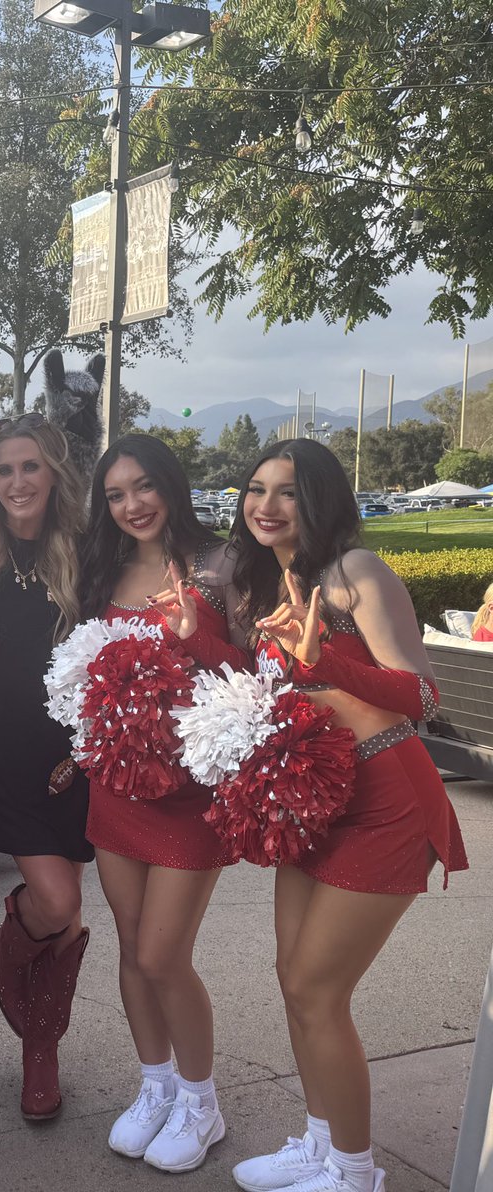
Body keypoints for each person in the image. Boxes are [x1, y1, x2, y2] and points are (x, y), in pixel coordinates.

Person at [227, 438, 468, 1192]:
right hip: (314, 800)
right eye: (256, 488)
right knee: (293, 980)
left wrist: (325, 662)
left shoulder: (353, 573)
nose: (266, 505)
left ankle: (356, 1173)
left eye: (288, 491)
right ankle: (322, 1143)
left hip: (387, 801)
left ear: (321, 498)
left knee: (318, 990)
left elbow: (425, 696)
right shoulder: (277, 583)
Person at [77, 433, 248, 1174]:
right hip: (116, 786)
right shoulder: (104, 569)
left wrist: (196, 638)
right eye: (116, 494)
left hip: (189, 795)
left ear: (170, 485)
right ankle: (157, 1085)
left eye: (143, 486)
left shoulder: (221, 565)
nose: (132, 505)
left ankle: (202, 1103)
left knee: (162, 953)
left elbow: (255, 672)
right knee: (129, 947)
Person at [0, 414, 92, 1122]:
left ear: (54, 473)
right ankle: (15, 947)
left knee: (64, 916)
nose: (16, 482)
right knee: (59, 902)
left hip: (72, 756)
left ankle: (42, 1054)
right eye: (4, 470)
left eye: (29, 467)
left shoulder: (86, 552)